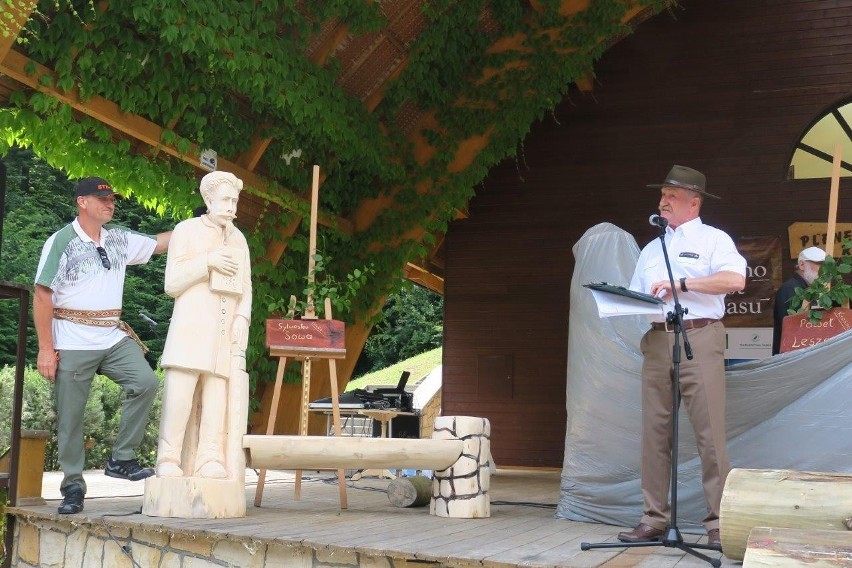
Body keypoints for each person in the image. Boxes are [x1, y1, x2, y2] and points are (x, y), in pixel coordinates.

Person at [618, 165, 747, 547]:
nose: (663, 201)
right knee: (654, 434)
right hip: (657, 341)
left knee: (709, 435)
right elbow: (636, 294)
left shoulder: (714, 239)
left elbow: (735, 280)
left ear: (695, 202)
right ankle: (653, 518)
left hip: (700, 336)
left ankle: (719, 523)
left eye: (671, 196)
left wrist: (683, 284)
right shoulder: (651, 248)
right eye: (662, 195)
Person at [34, 177, 172, 514]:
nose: (109, 204)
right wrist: (44, 349)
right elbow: (42, 293)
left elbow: (158, 243)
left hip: (111, 335)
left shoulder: (119, 239)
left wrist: (202, 224)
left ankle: (121, 458)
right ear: (82, 202)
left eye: (112, 199)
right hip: (71, 338)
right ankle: (72, 487)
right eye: (102, 199)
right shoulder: (61, 241)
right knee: (71, 417)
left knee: (145, 382)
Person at [155, 170, 252, 479]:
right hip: (191, 328)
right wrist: (207, 261)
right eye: (225, 199)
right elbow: (172, 283)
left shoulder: (239, 238)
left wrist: (243, 317)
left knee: (216, 399)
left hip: (224, 330)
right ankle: (168, 458)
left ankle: (209, 456)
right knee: (179, 397)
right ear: (208, 199)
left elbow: (247, 286)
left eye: (235, 201)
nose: (231, 206)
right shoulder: (186, 231)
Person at [771, 246, 827, 355]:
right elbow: (791, 326)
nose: (823, 269)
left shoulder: (813, 290)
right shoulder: (789, 288)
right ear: (802, 265)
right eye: (818, 264)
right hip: (790, 357)